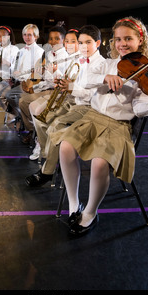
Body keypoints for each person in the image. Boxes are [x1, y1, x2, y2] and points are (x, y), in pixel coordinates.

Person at [50, 17, 148, 236]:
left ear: (140, 41)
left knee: (100, 163)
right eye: (118, 39)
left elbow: (138, 108)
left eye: (128, 38)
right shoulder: (107, 64)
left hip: (118, 126)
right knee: (65, 147)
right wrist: (106, 77)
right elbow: (87, 80)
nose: (122, 44)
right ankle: (74, 204)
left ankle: (90, 212)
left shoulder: (145, 74)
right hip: (92, 117)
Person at [25, 25, 105, 183]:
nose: (83, 47)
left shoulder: (100, 65)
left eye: (88, 42)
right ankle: (50, 156)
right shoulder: (80, 60)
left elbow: (91, 96)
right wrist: (59, 78)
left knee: (55, 126)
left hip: (88, 107)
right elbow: (71, 80)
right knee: (41, 120)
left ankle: (47, 171)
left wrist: (70, 87)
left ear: (97, 43)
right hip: (73, 101)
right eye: (81, 43)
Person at [27, 28, 80, 159]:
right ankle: (41, 142)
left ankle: (44, 146)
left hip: (71, 98)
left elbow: (68, 83)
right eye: (67, 41)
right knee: (32, 106)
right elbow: (59, 80)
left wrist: (56, 73)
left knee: (38, 110)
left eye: (73, 41)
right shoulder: (68, 57)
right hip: (60, 92)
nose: (69, 44)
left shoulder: (72, 58)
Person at [18, 24, 67, 145]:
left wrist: (52, 72)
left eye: (57, 38)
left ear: (63, 40)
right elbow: (44, 78)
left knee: (26, 101)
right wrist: (37, 83)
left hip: (58, 91)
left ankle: (37, 134)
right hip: (47, 87)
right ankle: (32, 130)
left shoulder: (66, 56)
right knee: (22, 101)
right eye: (50, 38)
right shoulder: (48, 54)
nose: (53, 42)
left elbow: (62, 80)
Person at [5, 23, 44, 122]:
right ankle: (21, 116)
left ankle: (27, 121)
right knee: (8, 95)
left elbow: (36, 73)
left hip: (32, 84)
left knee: (11, 96)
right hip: (21, 82)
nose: (26, 37)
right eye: (25, 35)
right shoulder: (21, 50)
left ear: (36, 36)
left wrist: (21, 76)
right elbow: (15, 68)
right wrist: (13, 76)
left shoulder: (39, 51)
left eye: (30, 35)